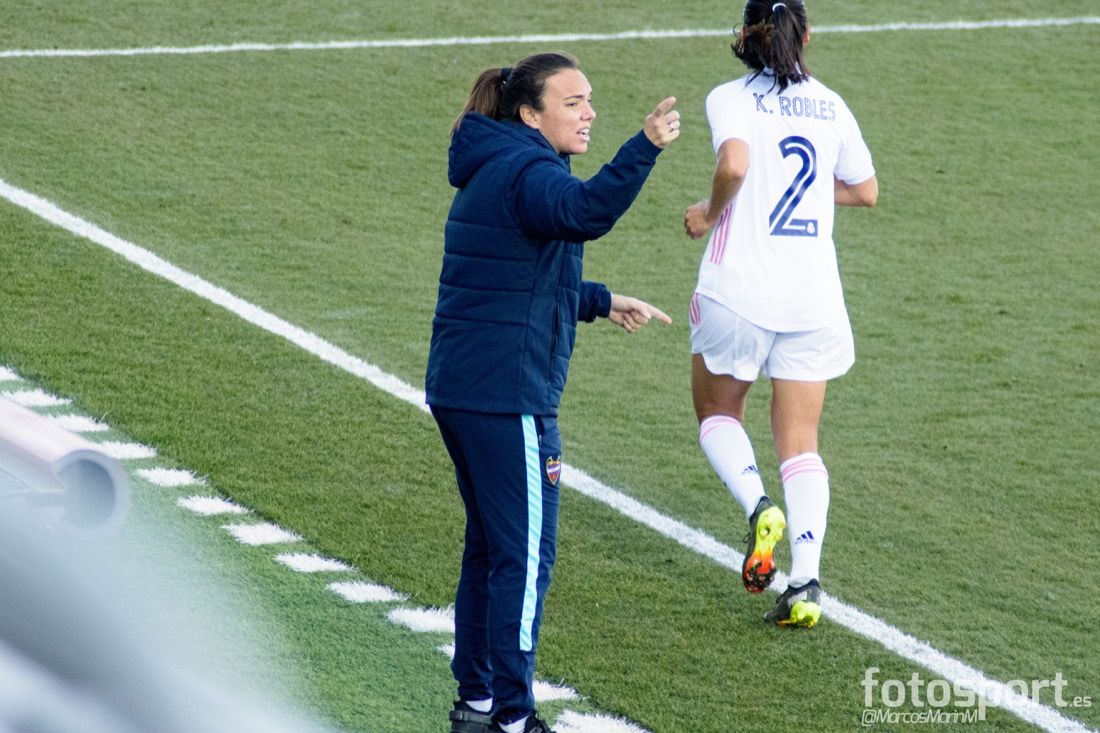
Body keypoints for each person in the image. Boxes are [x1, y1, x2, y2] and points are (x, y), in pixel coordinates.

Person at [425, 52, 679, 733]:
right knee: (524, 558)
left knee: (489, 548)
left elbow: (517, 272)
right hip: (508, 397)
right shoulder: (531, 172)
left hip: (464, 387)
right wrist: (644, 147)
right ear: (530, 114)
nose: (590, 113)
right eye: (573, 102)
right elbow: (585, 212)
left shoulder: (497, 164)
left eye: (589, 99)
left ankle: (477, 700)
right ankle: (514, 716)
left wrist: (599, 300)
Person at [683, 0, 878, 629]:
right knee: (801, 444)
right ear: (807, 34)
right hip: (813, 298)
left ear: (744, 35)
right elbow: (866, 190)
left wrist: (709, 212)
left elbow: (735, 164)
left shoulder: (730, 97)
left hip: (738, 289)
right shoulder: (831, 104)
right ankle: (807, 581)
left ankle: (758, 505)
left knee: (718, 412)